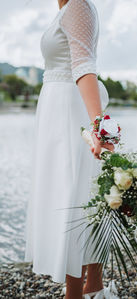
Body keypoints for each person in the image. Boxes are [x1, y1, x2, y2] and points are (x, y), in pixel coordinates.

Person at [24, 0, 115, 298]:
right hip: (57, 110)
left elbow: (84, 65)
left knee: (71, 194)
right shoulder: (67, 8)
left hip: (67, 111)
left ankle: (74, 293)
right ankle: (93, 287)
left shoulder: (77, 5)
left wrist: (99, 125)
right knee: (81, 192)